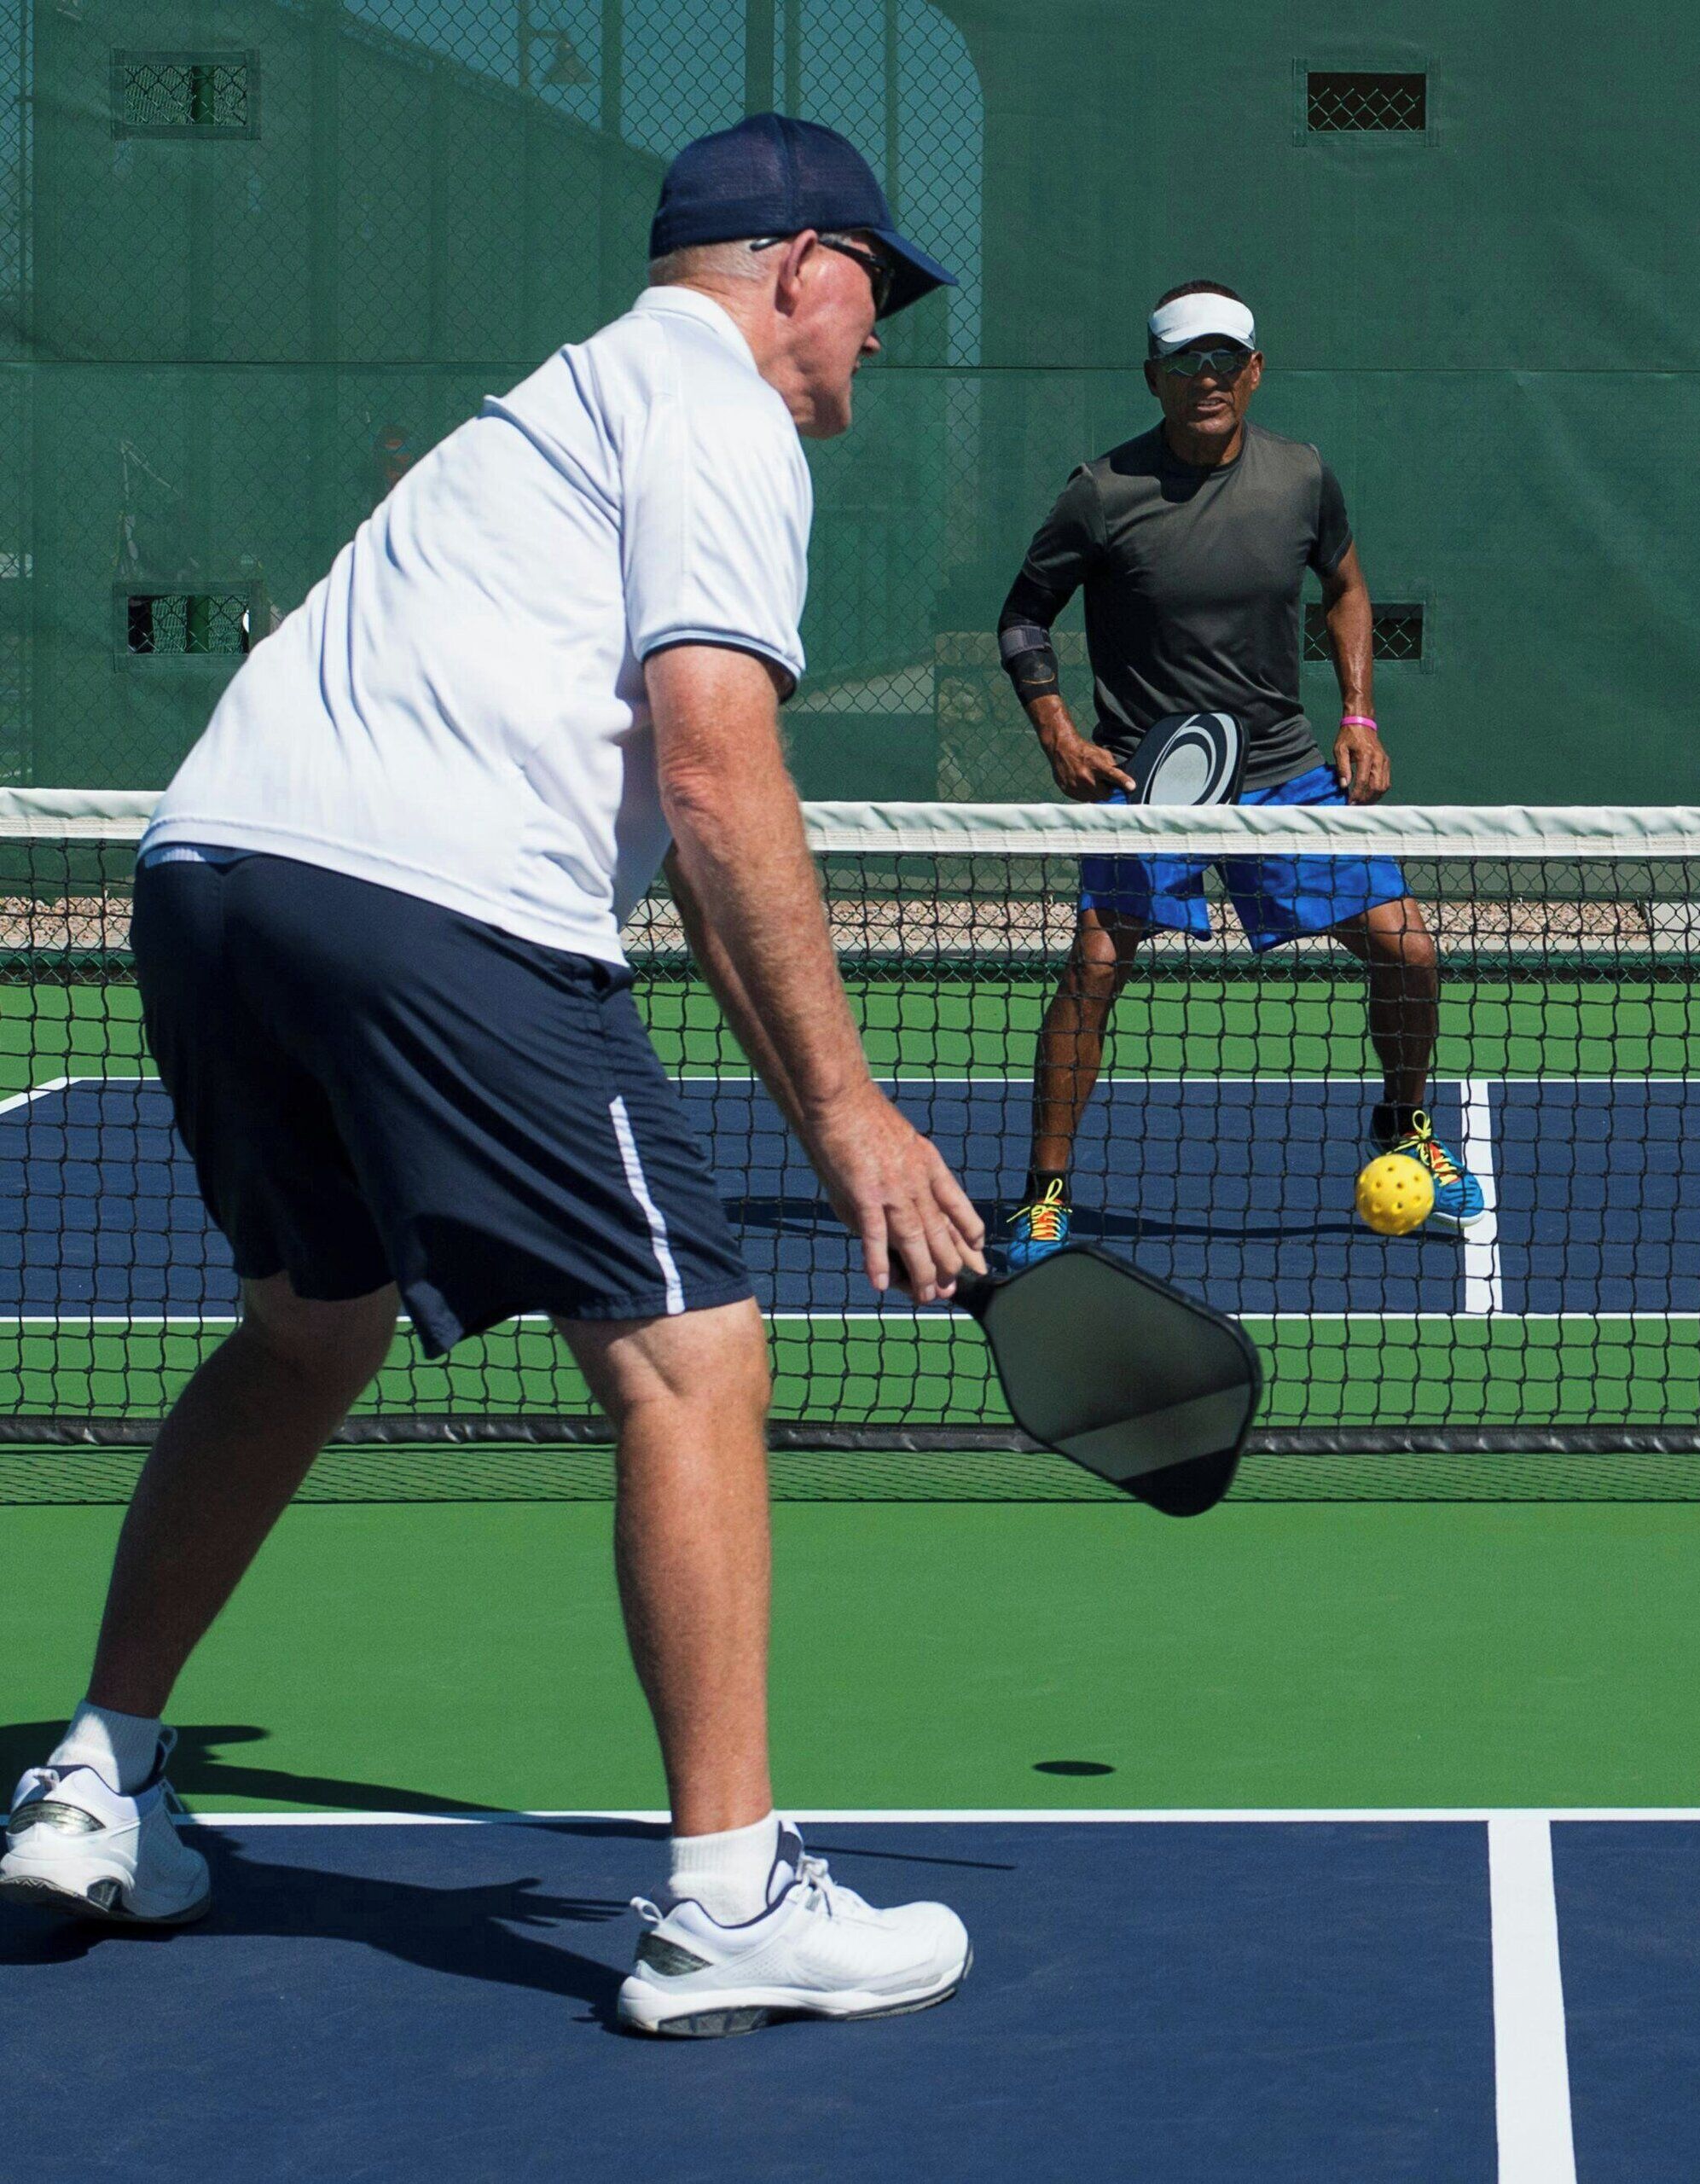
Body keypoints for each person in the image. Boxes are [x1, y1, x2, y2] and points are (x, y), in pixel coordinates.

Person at [0, 115, 989, 2036]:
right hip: (436, 904)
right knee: (690, 1352)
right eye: (876, 285)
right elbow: (717, 777)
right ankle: (727, 1898)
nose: (882, 333)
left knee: (306, 1330)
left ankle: (94, 1777)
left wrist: (826, 1108)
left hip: (215, 881)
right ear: (794, 265)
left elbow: (688, 847)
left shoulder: (554, 407)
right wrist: (857, 1111)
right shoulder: (719, 411)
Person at [989, 282, 1488, 1267]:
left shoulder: (1301, 478)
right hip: (1149, 782)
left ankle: (1404, 1124)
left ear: (1254, 371)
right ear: (1154, 377)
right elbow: (1022, 617)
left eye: (1223, 360)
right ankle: (1044, 1199)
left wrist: (1357, 713)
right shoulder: (1101, 492)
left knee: (1410, 954)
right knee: (1093, 971)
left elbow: (1346, 588)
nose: (1206, 378)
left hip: (1281, 772)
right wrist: (1056, 730)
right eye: (1184, 361)